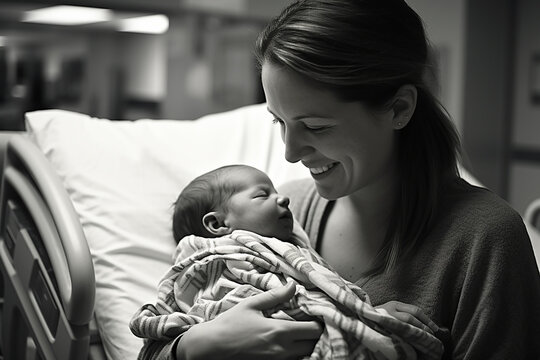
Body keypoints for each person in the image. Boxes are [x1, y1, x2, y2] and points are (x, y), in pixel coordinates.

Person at [147, 0, 540, 359]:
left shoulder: (485, 239)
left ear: (399, 109)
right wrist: (198, 345)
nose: (290, 152)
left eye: (316, 127)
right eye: (279, 122)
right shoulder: (283, 216)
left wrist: (367, 328)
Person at [131, 164, 442, 359]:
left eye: (317, 125)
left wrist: (369, 317)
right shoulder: (214, 257)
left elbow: (324, 295)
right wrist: (192, 345)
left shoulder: (293, 245)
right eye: (262, 195)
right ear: (217, 225)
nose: (283, 198)